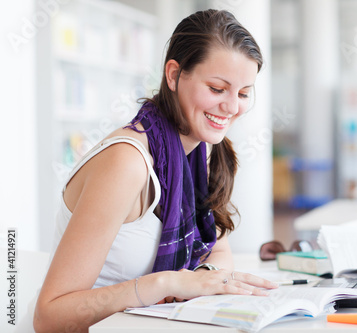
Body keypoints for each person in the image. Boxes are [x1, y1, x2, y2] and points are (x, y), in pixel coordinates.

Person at [34, 9, 278, 333]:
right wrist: (165, 284)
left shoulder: (200, 151)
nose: (232, 107)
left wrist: (201, 280)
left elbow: (218, 249)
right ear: (174, 75)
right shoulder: (127, 162)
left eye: (244, 93)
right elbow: (49, 317)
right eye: (218, 89)